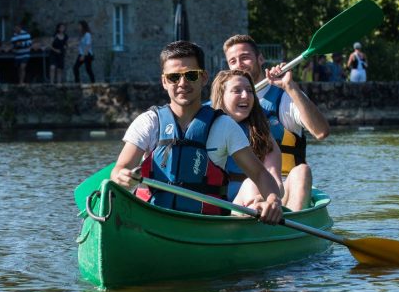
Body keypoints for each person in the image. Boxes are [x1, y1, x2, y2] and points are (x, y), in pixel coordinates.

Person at [110, 40, 282, 224]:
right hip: (152, 218)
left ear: (204, 78)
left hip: (205, 224)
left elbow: (259, 174)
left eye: (191, 75)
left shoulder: (224, 126)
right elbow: (121, 168)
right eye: (174, 77)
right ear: (164, 81)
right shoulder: (148, 122)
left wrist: (273, 200)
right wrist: (122, 177)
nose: (182, 83)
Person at [223, 34, 330, 211]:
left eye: (245, 57)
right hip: (235, 194)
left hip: (282, 192)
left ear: (260, 59)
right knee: (251, 184)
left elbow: (321, 132)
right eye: (232, 61)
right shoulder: (219, 106)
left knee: (302, 171)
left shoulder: (284, 98)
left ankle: (293, 227)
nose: (239, 65)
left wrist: (290, 86)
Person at [210, 69, 285, 207]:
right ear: (221, 95)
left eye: (250, 91)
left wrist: (271, 198)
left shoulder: (262, 132)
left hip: (254, 203)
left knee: (302, 171)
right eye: (237, 90)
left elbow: (275, 180)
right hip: (217, 204)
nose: (245, 95)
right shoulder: (206, 127)